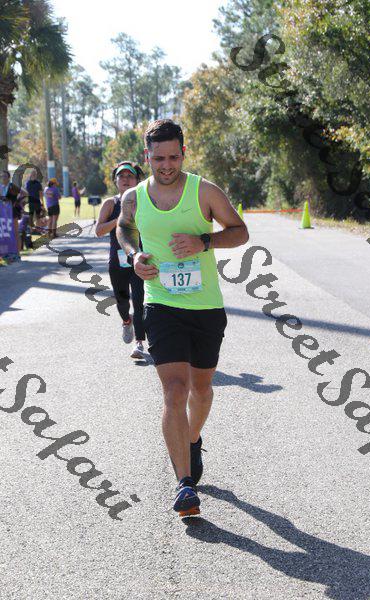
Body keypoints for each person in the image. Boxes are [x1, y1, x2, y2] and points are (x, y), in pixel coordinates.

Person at [116, 119, 249, 516]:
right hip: (161, 305)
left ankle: (192, 439)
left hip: (205, 308)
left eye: (173, 157)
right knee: (175, 390)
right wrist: (133, 255)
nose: (167, 165)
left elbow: (240, 231)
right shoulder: (134, 197)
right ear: (147, 157)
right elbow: (124, 229)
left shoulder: (204, 191)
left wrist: (203, 241)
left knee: (201, 390)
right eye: (159, 158)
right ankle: (185, 485)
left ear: (183, 153)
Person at [96, 161, 146, 359]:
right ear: (115, 181)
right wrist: (119, 220)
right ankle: (127, 321)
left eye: (130, 176)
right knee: (122, 301)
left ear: (137, 180)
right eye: (121, 176)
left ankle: (139, 343)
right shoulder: (111, 203)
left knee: (140, 301)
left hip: (139, 258)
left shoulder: (145, 201)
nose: (126, 179)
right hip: (117, 261)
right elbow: (99, 231)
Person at [0, 170, 27, 260]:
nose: (3, 178)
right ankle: (7, 253)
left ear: (8, 178)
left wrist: (20, 203)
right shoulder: (1, 187)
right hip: (3, 214)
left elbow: (25, 193)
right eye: (1, 176)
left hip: (12, 212)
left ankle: (18, 254)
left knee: (15, 232)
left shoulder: (12, 186)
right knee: (5, 234)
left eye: (5, 176)